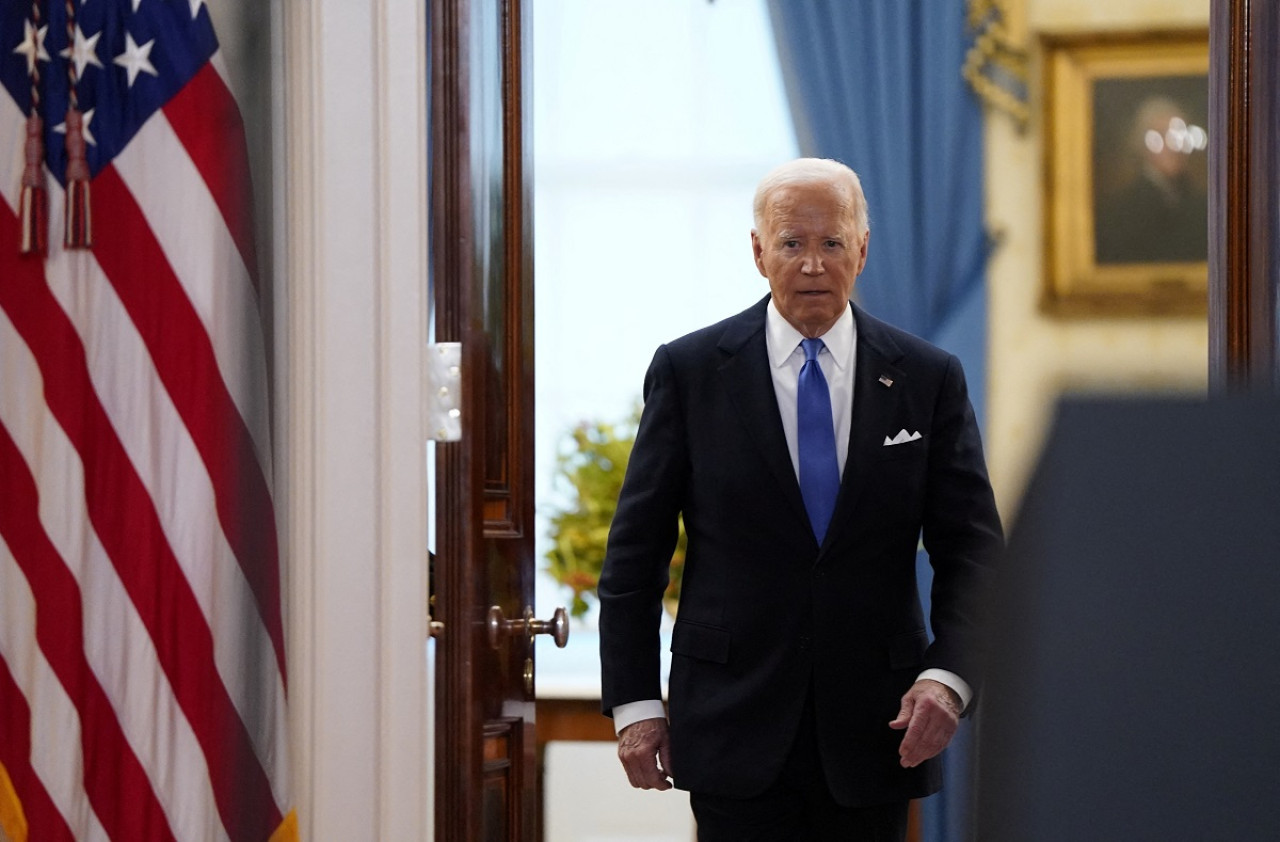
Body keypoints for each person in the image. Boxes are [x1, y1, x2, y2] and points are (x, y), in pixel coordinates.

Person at [597, 158, 1004, 841]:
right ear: (758, 252)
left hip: (880, 727)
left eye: (832, 243)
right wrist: (635, 703)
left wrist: (949, 678)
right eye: (792, 243)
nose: (812, 265)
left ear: (863, 250)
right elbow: (636, 553)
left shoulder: (927, 380)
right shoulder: (690, 371)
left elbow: (974, 554)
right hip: (732, 723)